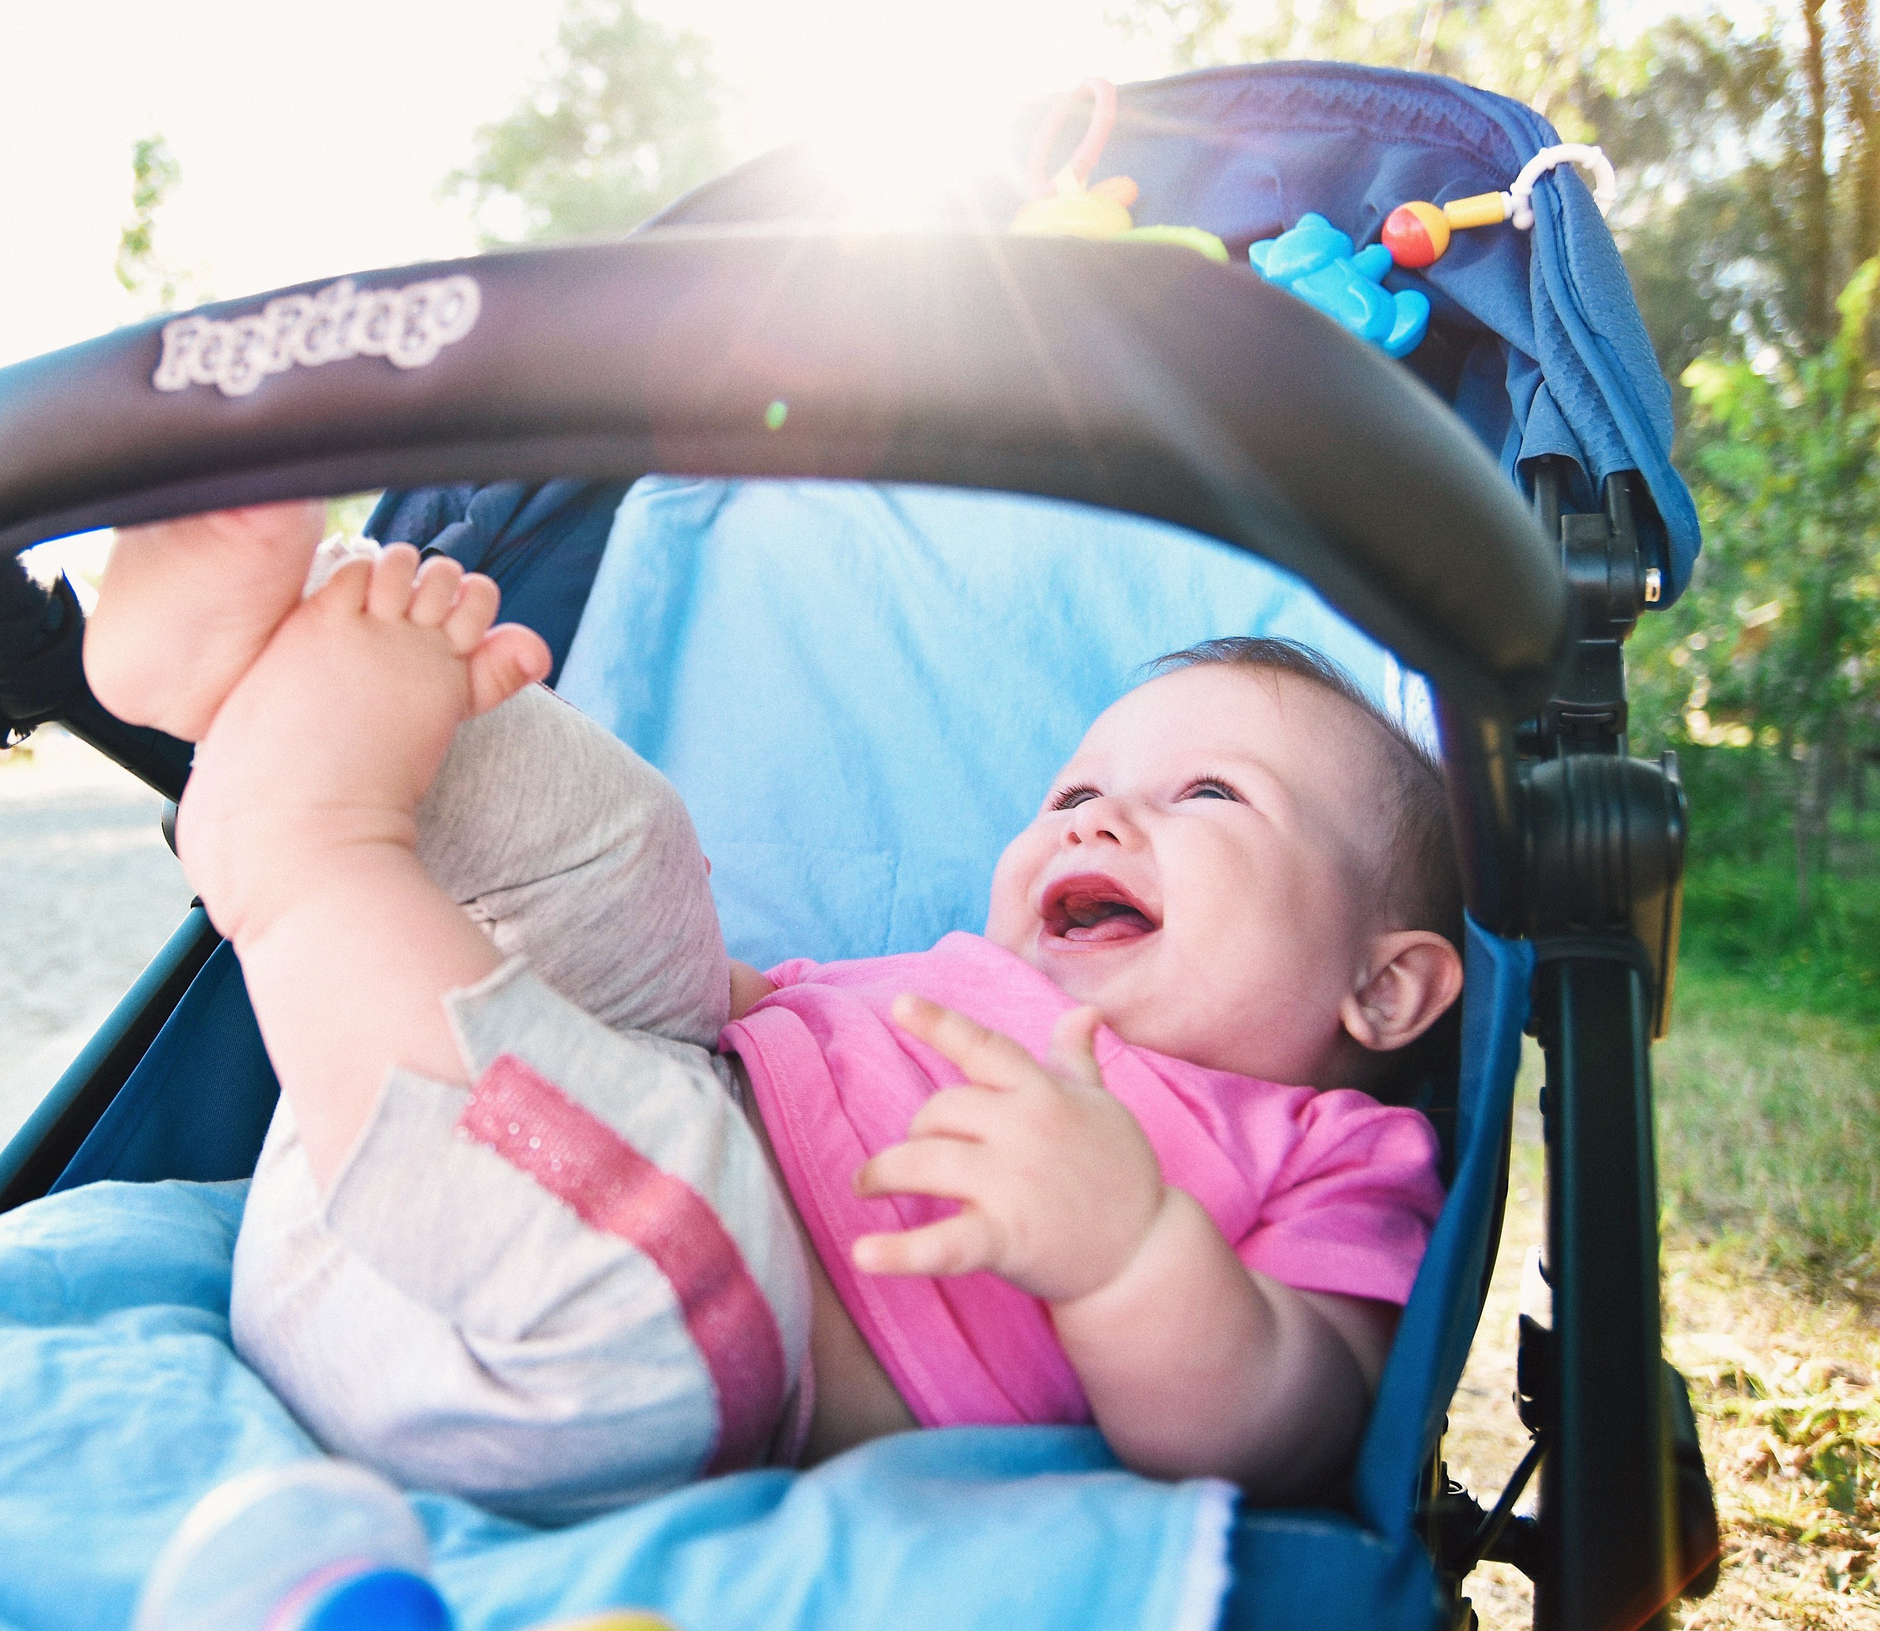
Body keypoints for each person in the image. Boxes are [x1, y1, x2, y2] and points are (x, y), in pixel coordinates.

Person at [80, 503, 1461, 1524]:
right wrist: (672, 964)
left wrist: (1130, 1249)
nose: (1098, 811)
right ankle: (246, 657)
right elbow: (742, 1017)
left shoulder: (1330, 1147)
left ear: (1384, 984)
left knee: (685, 1237)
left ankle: (303, 845)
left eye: (1209, 794)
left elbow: (1295, 1422)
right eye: (1070, 794)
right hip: (418, 1112)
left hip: (569, 1338)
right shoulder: (957, 984)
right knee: (634, 855)